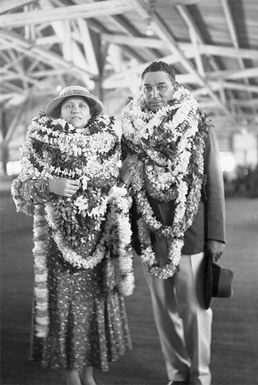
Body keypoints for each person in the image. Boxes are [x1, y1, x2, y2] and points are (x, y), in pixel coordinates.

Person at [11, 85, 134, 385]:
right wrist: (49, 185)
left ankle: (89, 374)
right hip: (59, 247)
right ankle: (71, 377)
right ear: (58, 113)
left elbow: (115, 191)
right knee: (64, 309)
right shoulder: (40, 146)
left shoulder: (108, 145)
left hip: (98, 246)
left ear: (92, 113)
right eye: (69, 106)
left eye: (82, 105)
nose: (76, 110)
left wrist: (123, 182)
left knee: (95, 308)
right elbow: (20, 190)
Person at [120, 61, 226, 385]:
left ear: (175, 87)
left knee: (195, 310)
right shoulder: (130, 131)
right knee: (164, 311)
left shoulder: (198, 125)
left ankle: (200, 376)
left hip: (190, 232)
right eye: (147, 87)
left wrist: (216, 236)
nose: (153, 94)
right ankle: (178, 374)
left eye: (161, 86)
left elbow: (214, 181)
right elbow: (122, 180)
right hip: (149, 235)